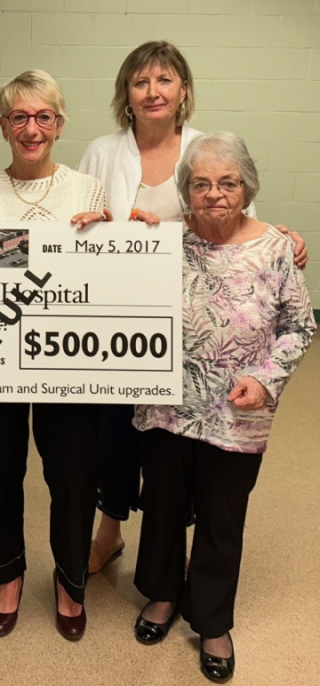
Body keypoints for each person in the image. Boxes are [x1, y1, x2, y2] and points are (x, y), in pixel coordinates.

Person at [77, 41, 308, 575]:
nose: (153, 92)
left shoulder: (208, 147)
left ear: (183, 91)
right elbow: (82, 223)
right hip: (120, 323)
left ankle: (173, 551)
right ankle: (108, 532)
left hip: (191, 332)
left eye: (164, 80)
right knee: (116, 438)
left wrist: (286, 239)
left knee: (174, 452)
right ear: (126, 94)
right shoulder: (100, 152)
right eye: (140, 82)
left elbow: (242, 221)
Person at [132, 132, 315, 682]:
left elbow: (299, 326)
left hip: (239, 412)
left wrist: (265, 380)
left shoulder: (278, 247)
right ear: (186, 190)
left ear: (247, 187)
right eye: (201, 183)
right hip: (165, 405)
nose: (214, 194)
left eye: (227, 183)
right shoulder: (161, 240)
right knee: (163, 505)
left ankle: (211, 619)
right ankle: (162, 595)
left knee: (221, 516)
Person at [0, 70, 107, 641]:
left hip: (69, 359)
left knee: (72, 472)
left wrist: (113, 231)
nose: (31, 127)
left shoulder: (87, 192)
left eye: (43, 116)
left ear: (60, 125)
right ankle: (6, 575)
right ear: (3, 126)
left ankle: (71, 580)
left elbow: (103, 276)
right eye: (19, 117)